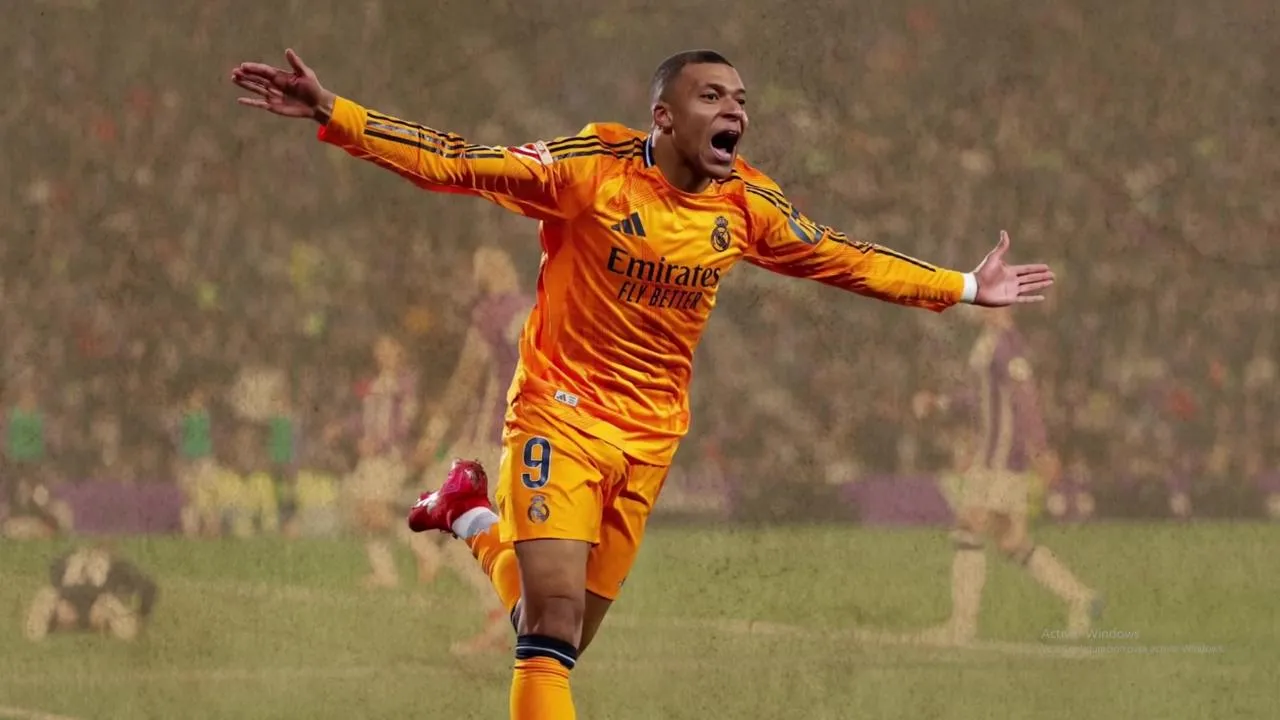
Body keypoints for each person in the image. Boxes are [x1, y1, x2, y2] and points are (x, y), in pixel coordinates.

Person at [232, 48, 1054, 719]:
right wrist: (336, 113)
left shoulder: (746, 204)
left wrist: (964, 286)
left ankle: (469, 513)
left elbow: (844, 257)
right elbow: (458, 162)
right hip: (558, 413)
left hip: (651, 438)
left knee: (555, 639)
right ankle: (474, 512)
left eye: (741, 99)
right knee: (548, 630)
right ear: (663, 116)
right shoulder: (591, 169)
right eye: (711, 96)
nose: (734, 110)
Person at [914, 307, 1102, 643]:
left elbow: (1025, 396)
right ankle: (1081, 598)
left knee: (969, 527)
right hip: (996, 455)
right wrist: (940, 403)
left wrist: (1041, 449)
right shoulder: (989, 342)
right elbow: (980, 396)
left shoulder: (1006, 345)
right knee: (1010, 541)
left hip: (1001, 455)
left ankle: (961, 627)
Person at [413, 246, 533, 655]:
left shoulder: (489, 314)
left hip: (490, 439)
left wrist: (432, 435)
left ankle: (500, 616)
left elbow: (465, 380)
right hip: (527, 438)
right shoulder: (535, 308)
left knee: (444, 523)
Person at [25, 543, 157, 642]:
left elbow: (147, 587)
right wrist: (142, 613)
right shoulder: (118, 565)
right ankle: (35, 634)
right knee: (48, 594)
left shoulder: (117, 567)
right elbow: (148, 588)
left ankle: (36, 634)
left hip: (96, 611)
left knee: (109, 602)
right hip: (76, 611)